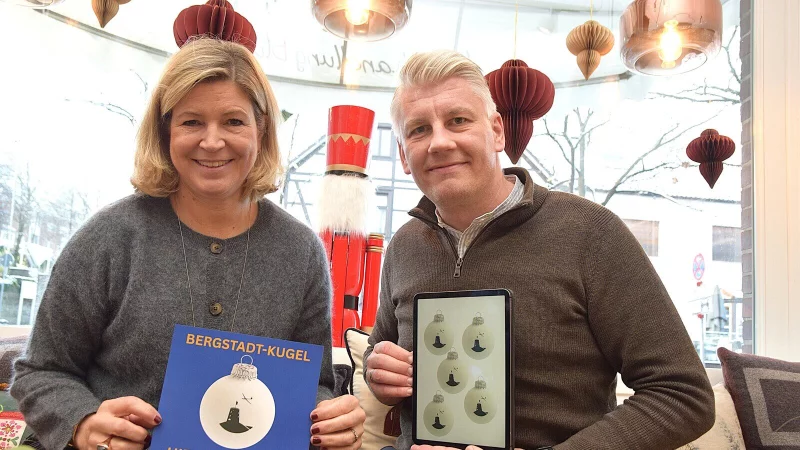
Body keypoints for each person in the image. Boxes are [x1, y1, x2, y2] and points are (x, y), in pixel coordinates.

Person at [11, 37, 365, 450]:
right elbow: (41, 371)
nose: (212, 142)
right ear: (166, 131)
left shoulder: (301, 252)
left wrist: (331, 418)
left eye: (233, 122)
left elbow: (313, 384)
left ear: (261, 128)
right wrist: (84, 423)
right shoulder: (109, 238)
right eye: (192, 122)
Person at [363, 50, 715, 450]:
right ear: (403, 155)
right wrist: (379, 374)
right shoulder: (404, 246)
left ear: (497, 131)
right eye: (419, 129)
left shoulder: (590, 232)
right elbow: (380, 350)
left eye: (458, 120)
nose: (440, 142)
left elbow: (683, 394)